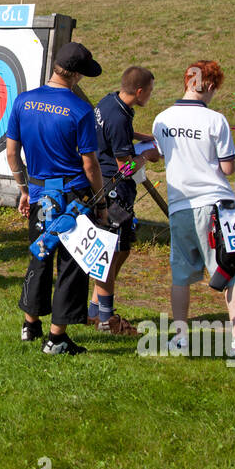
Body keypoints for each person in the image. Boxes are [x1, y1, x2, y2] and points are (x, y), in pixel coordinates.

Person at [151, 60, 235, 359]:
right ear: (209, 86)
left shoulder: (161, 119)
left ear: (187, 81)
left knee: (181, 274)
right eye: (214, 89)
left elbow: (160, 155)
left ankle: (181, 338)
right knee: (233, 268)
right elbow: (227, 167)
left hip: (180, 206)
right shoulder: (216, 120)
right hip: (217, 206)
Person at [4, 42, 106, 355]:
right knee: (72, 263)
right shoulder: (80, 110)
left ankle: (29, 324)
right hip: (72, 195)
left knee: (41, 253)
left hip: (38, 193)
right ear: (75, 75)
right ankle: (57, 338)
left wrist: (24, 189)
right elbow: (89, 165)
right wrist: (100, 202)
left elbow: (11, 152)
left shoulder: (23, 101)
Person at [87, 65, 162, 335]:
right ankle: (107, 321)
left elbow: (114, 131)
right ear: (139, 91)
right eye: (150, 91)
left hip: (108, 188)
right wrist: (148, 156)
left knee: (124, 248)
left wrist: (141, 137)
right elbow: (125, 168)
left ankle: (94, 310)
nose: (151, 96)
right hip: (114, 192)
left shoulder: (110, 101)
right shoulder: (119, 117)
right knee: (109, 253)